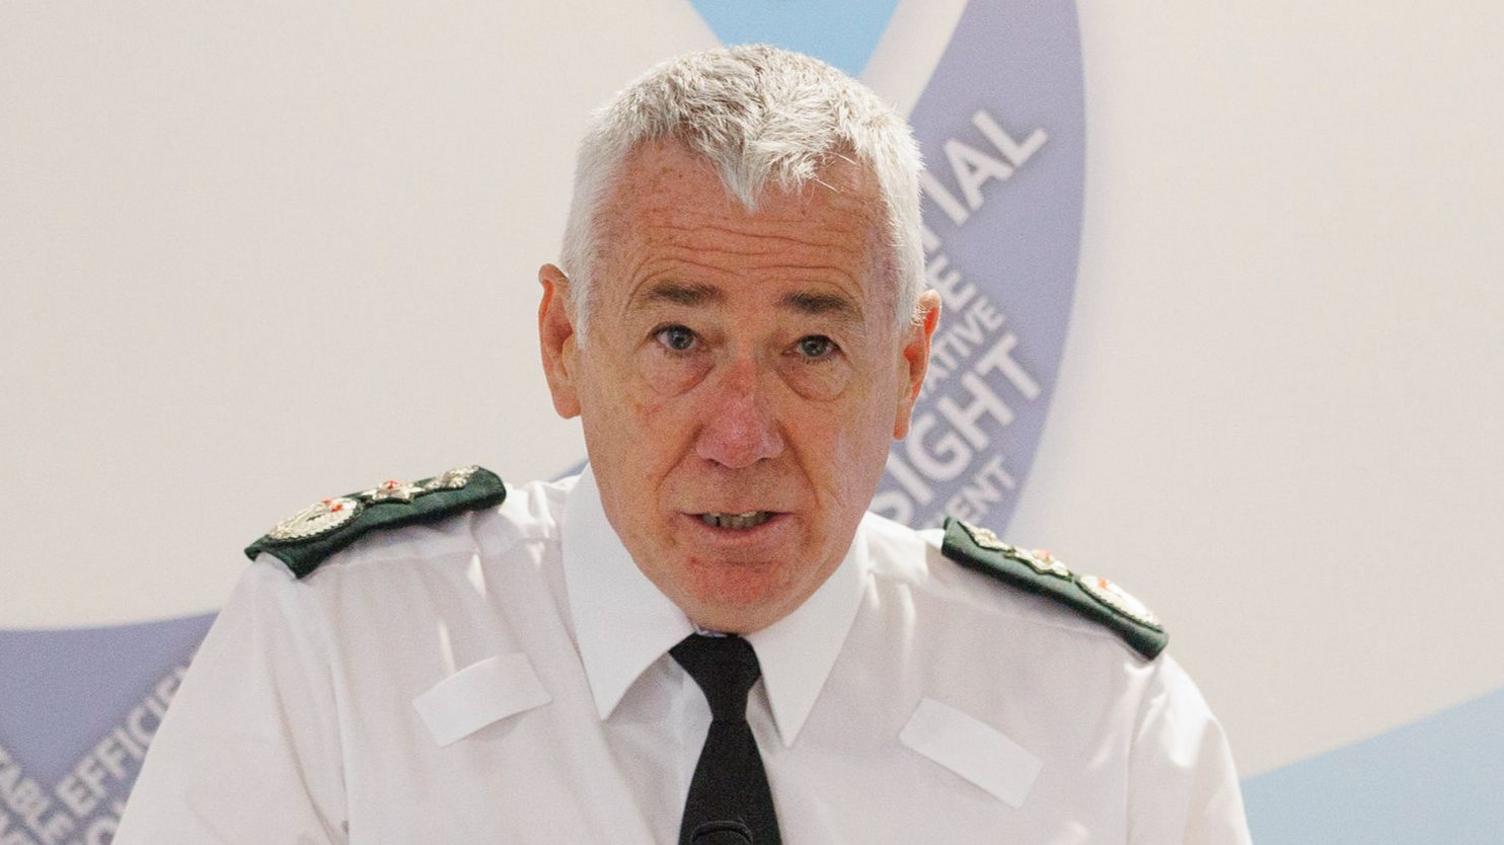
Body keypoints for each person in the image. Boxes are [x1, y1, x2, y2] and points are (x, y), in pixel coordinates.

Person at [116, 45, 1251, 843]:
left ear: (906, 368)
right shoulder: (339, 649)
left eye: (810, 346)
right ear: (564, 342)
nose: (740, 431)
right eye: (677, 337)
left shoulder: (1101, 717)